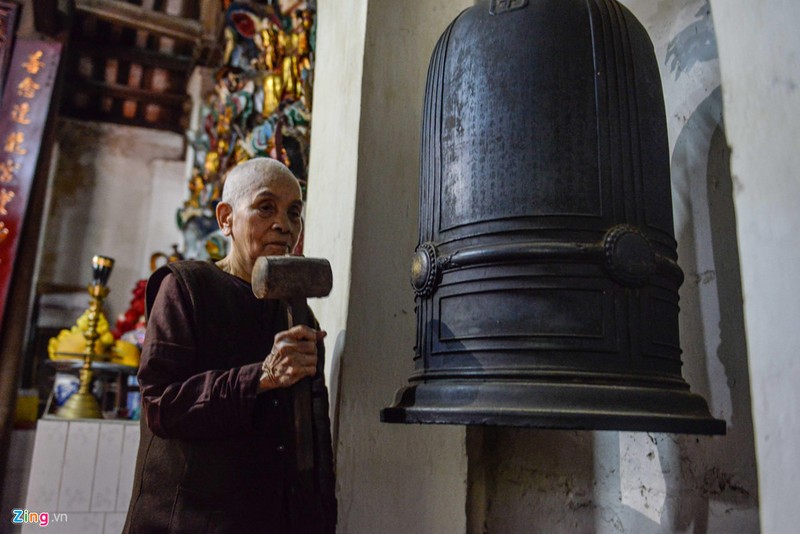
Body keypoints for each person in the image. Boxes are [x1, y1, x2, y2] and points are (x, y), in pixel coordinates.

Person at [124, 158, 336, 533]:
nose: (284, 225)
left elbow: (314, 439)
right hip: (186, 520)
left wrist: (319, 517)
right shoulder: (187, 288)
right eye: (265, 207)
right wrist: (261, 377)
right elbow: (160, 405)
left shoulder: (296, 315)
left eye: (294, 212)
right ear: (226, 219)